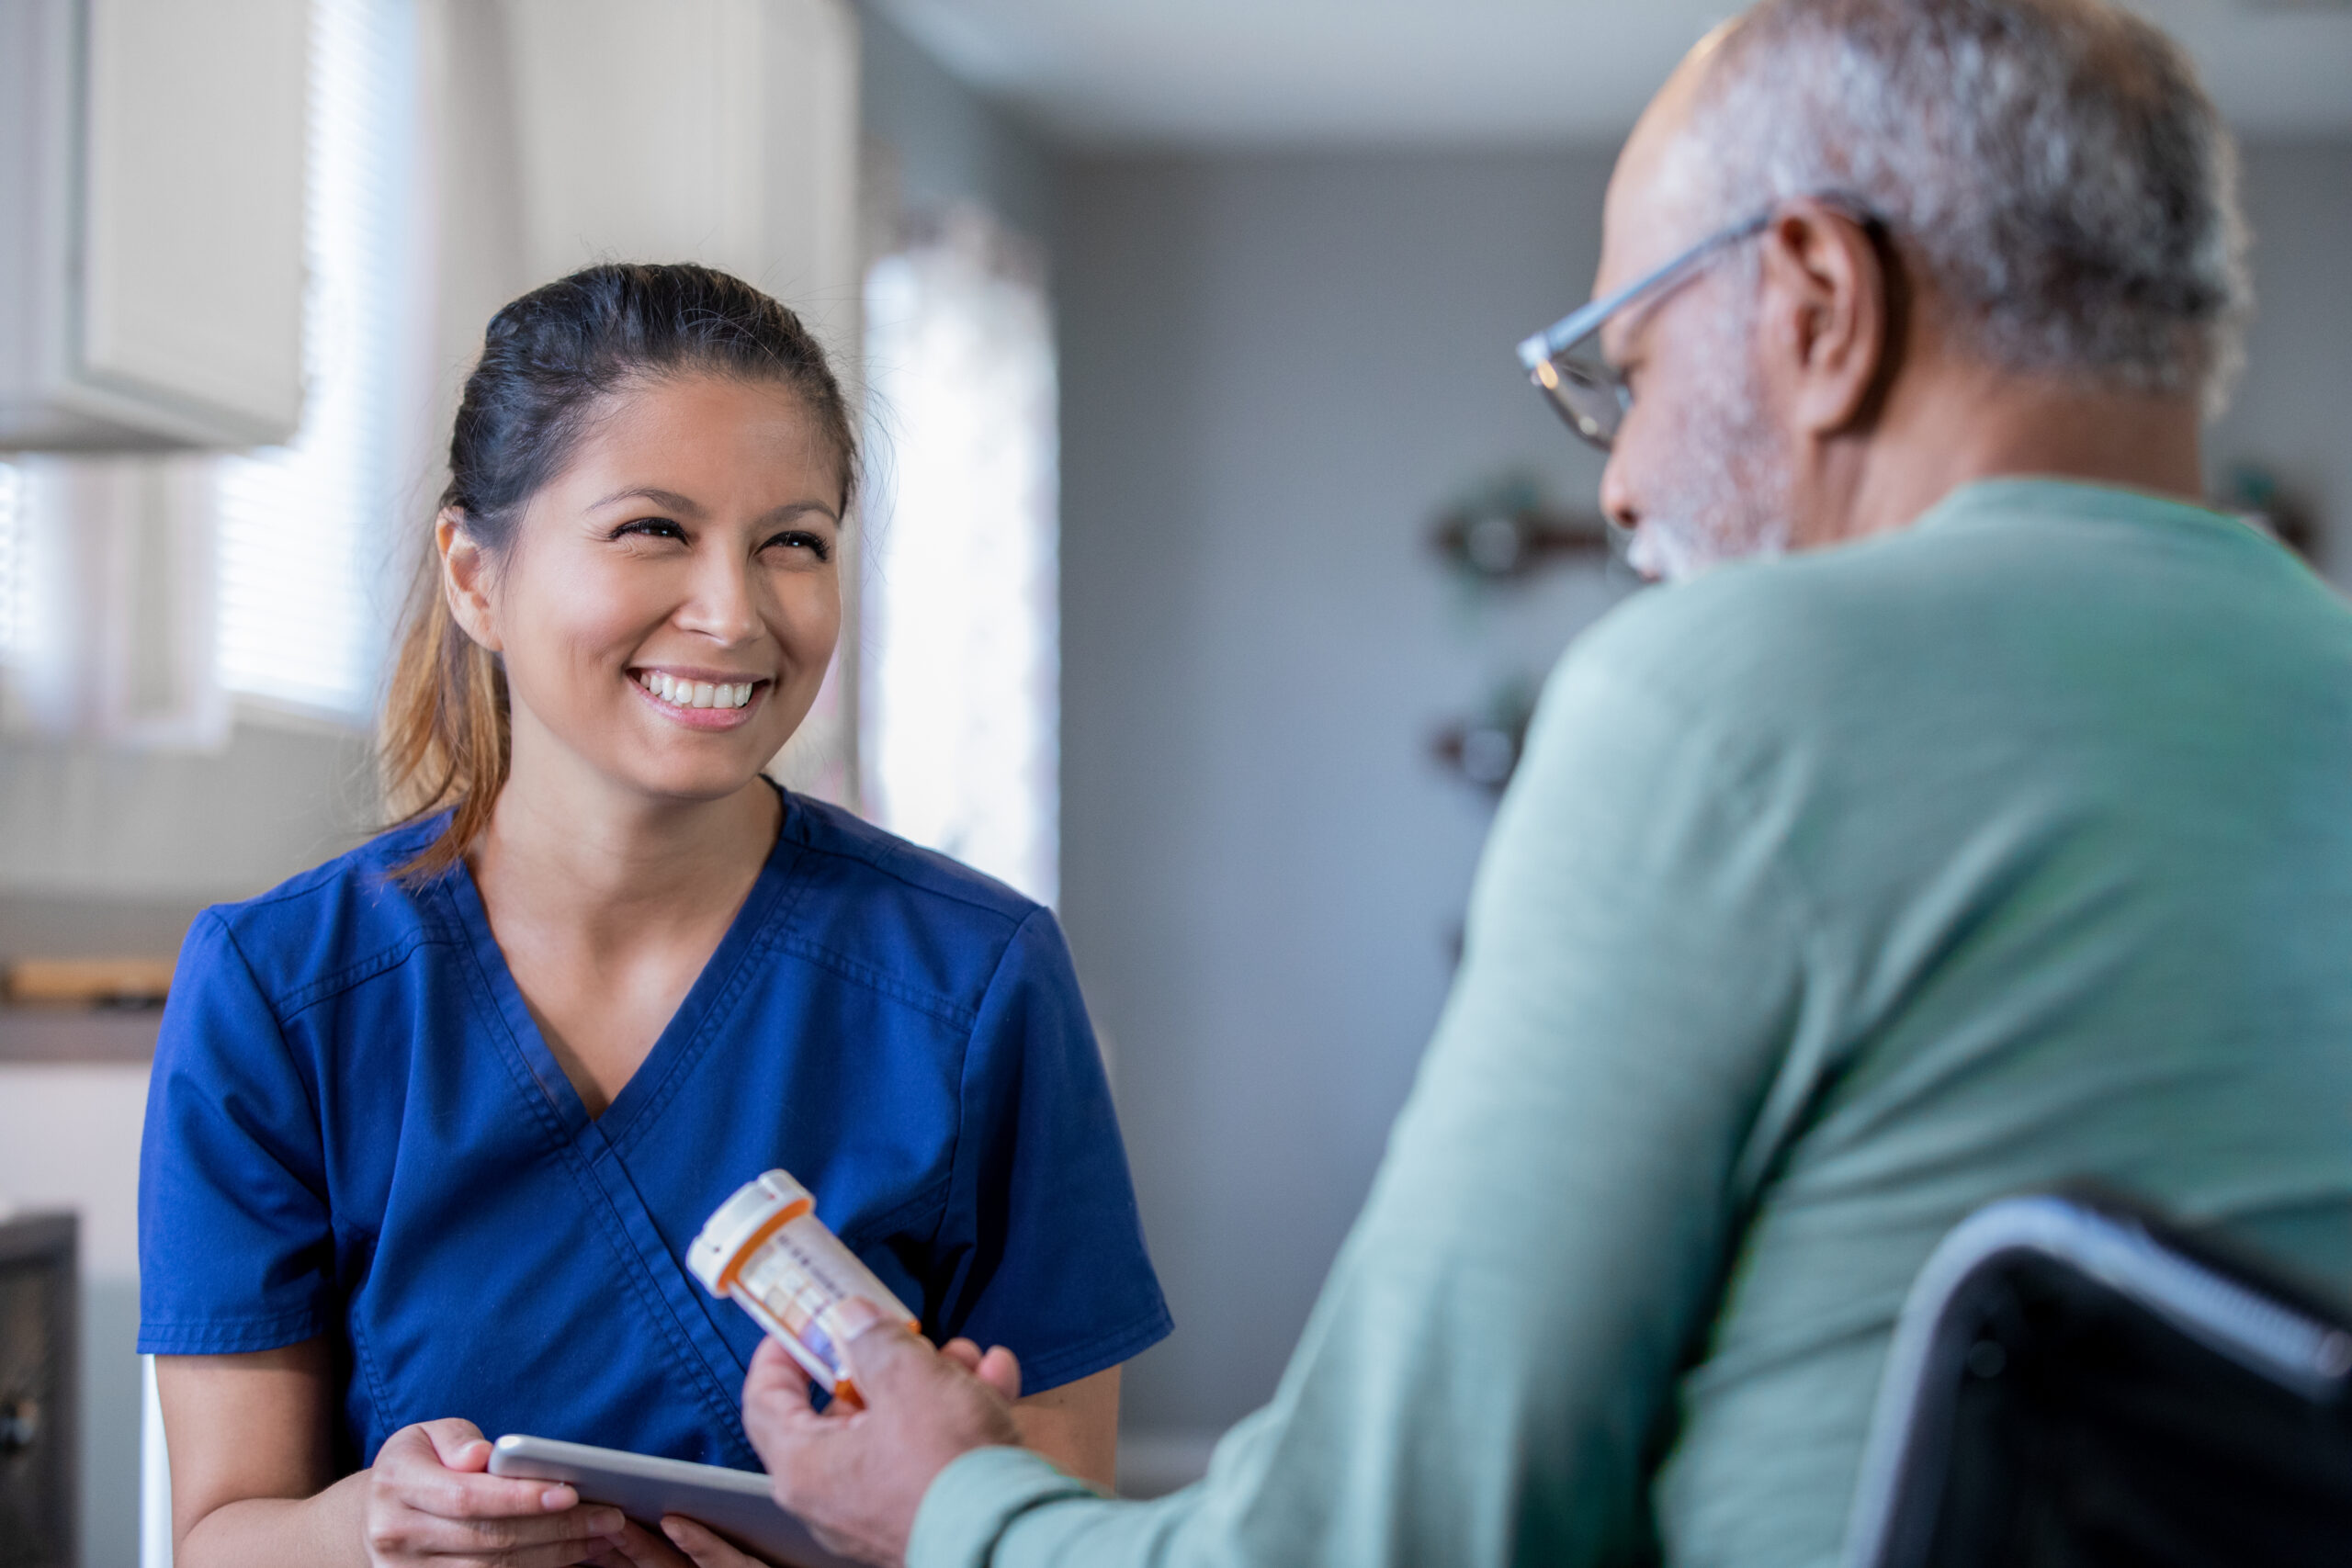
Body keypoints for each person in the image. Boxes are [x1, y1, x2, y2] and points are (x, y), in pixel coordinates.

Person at [734, 2, 2352, 1564]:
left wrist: (949, 1504)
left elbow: (1384, 1547)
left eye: (1628, 370)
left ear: (1817, 301)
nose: (1629, 481)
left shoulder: (1736, 703)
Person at [140, 264, 1170, 1568]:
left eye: (791, 542)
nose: (733, 613)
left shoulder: (977, 981)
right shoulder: (282, 993)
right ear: (474, 573)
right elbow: (222, 1538)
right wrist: (373, 1528)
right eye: (653, 531)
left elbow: (1055, 1531)